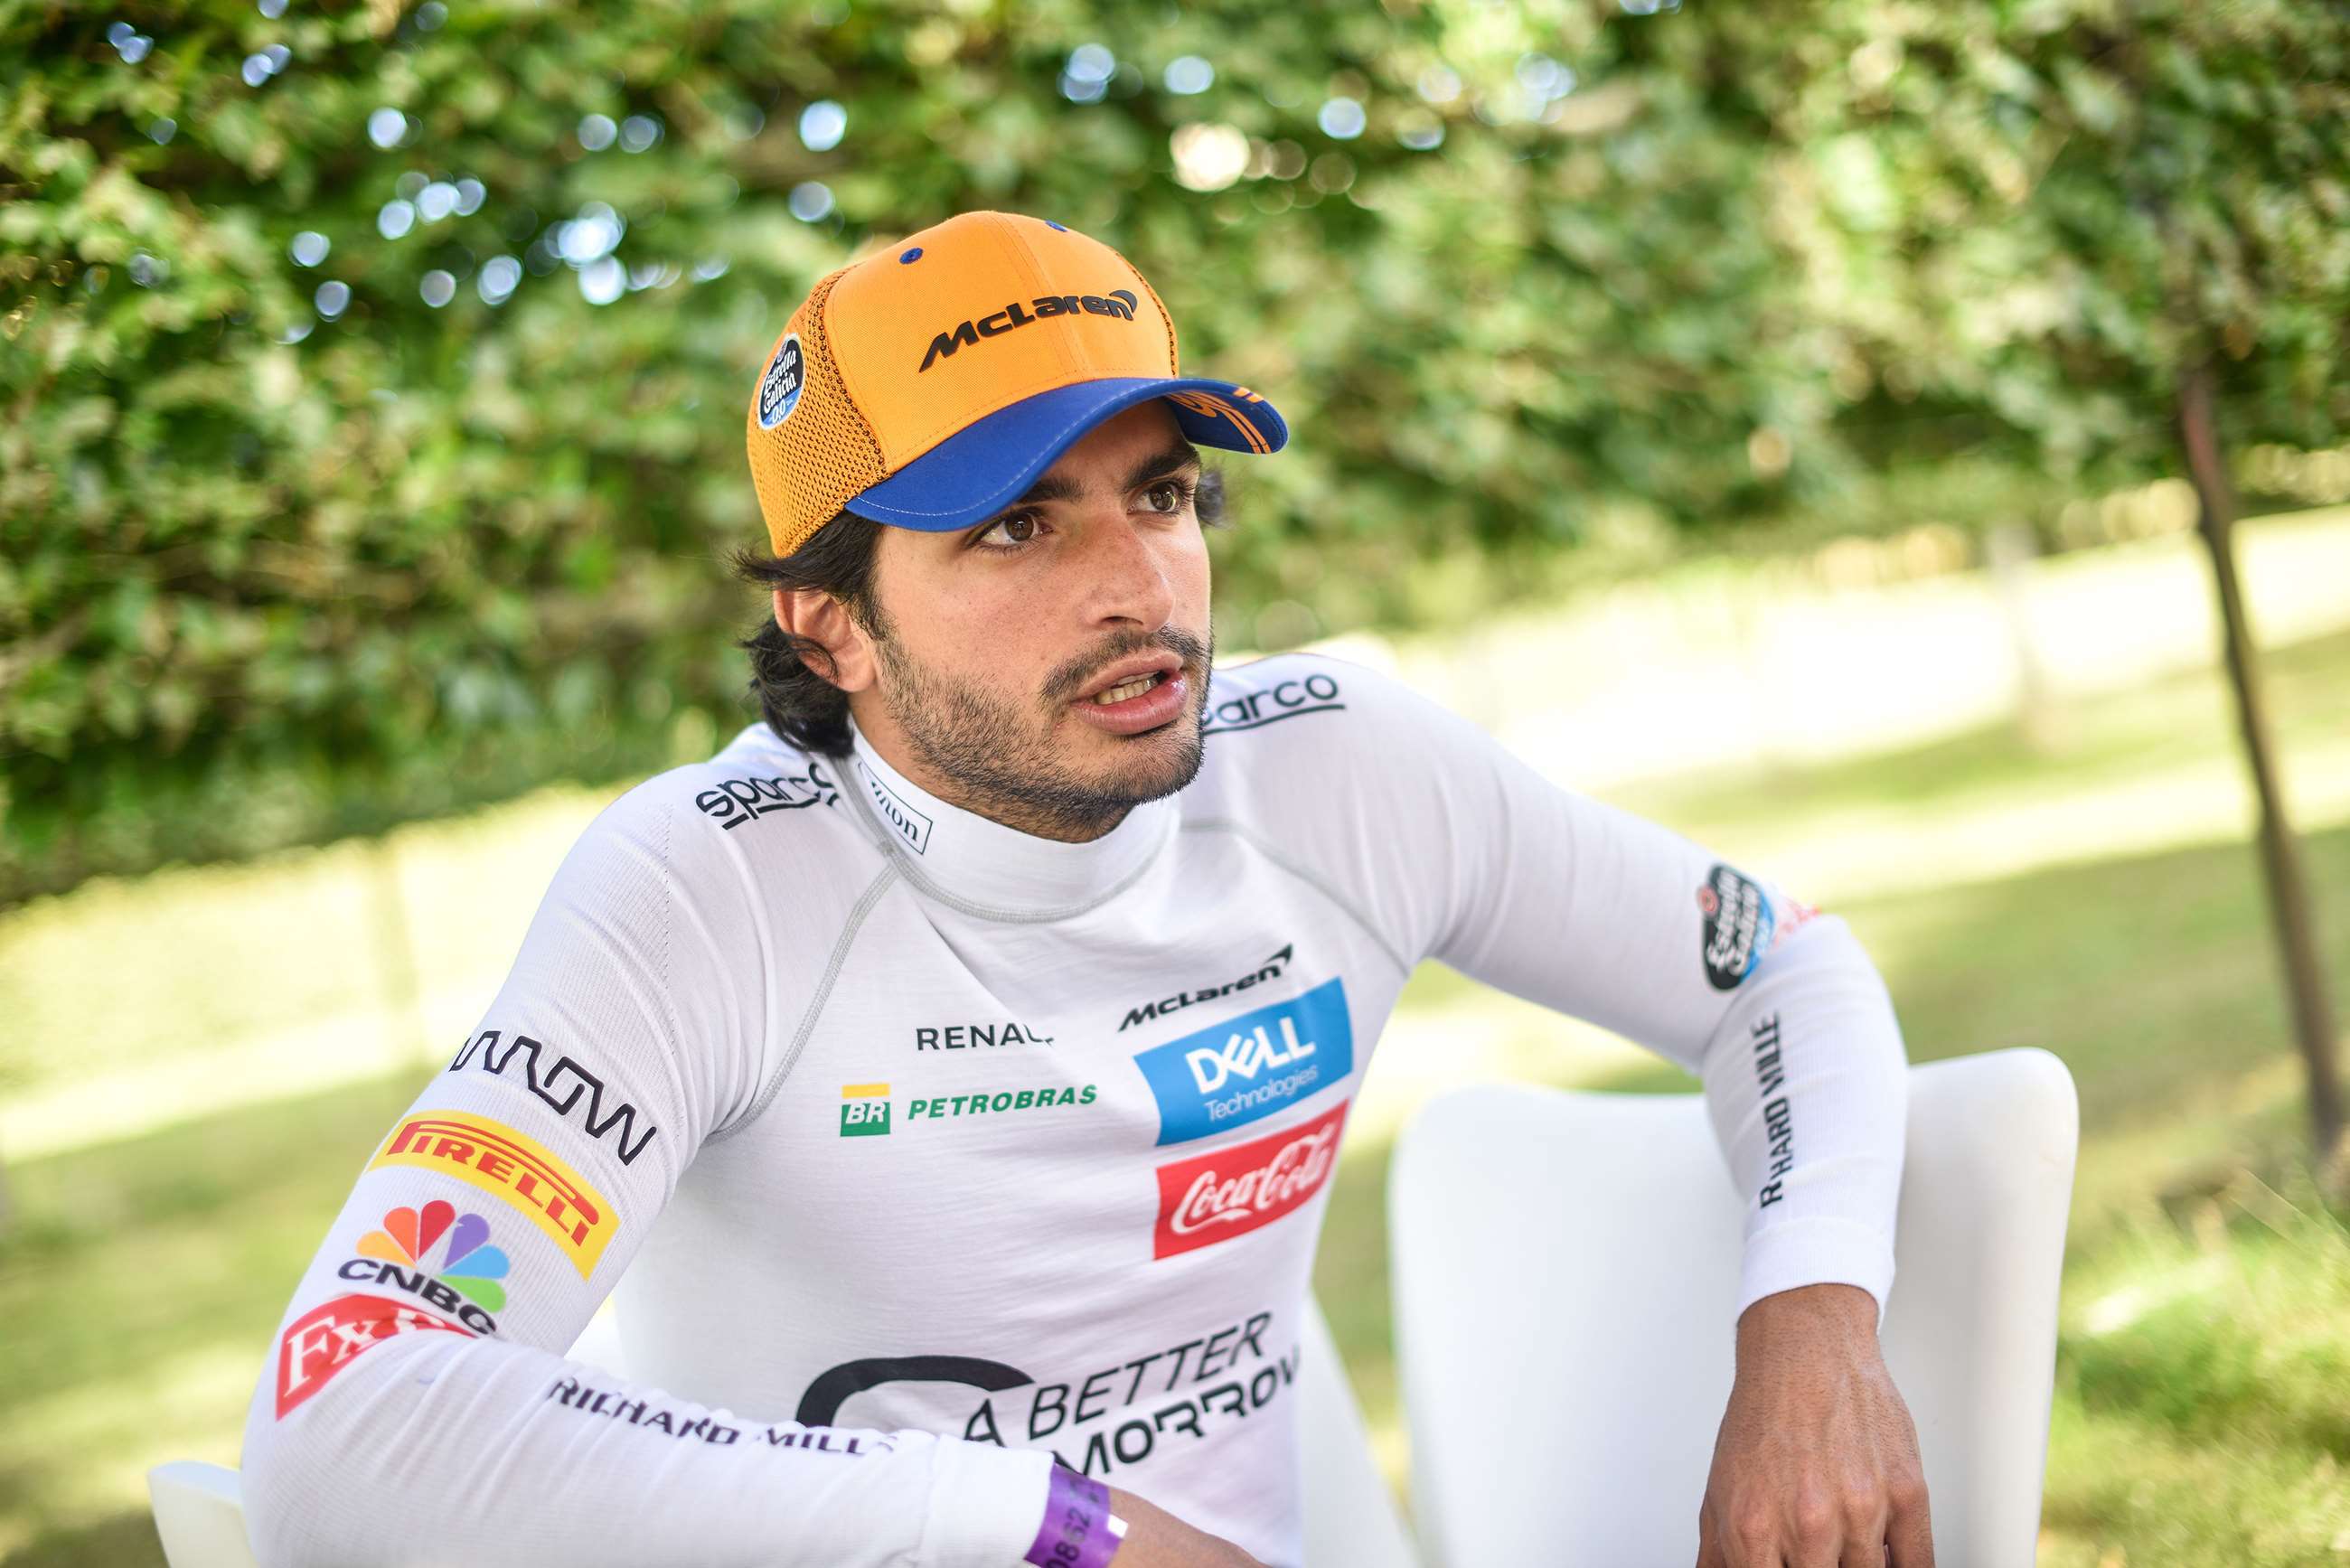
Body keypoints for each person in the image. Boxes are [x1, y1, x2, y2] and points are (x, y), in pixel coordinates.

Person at [240, 210, 1932, 1568]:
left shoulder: (1343, 769)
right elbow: (342, 1418)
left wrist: (1813, 1330)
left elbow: (1779, 971)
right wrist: (1050, 1530)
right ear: (831, 625)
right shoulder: (708, 887)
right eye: (1016, 527)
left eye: (1163, 495)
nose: (1141, 587)